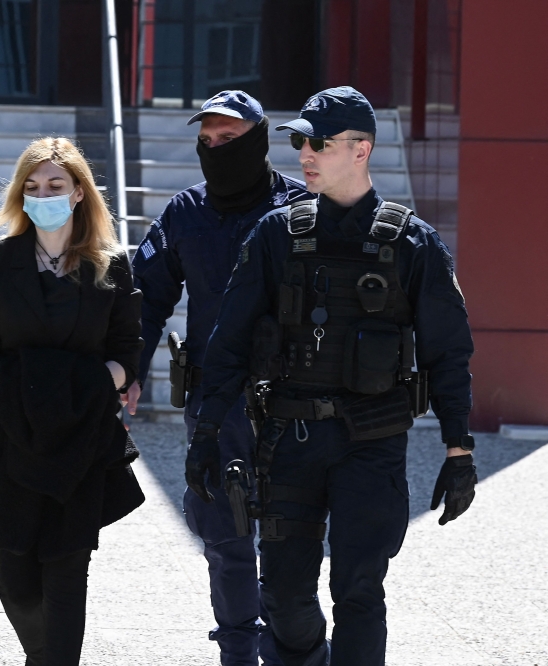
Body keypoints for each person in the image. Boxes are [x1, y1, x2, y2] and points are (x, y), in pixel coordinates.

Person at [187, 86, 477, 666]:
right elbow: (230, 340)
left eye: (318, 141)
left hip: (372, 443)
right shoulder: (275, 234)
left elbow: (448, 351)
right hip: (290, 439)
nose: (304, 153)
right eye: (299, 141)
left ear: (362, 148)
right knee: (286, 598)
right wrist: (207, 433)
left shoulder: (412, 242)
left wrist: (458, 448)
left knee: (359, 591)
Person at [126, 90, 309, 666]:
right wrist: (128, 370)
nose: (214, 148)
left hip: (293, 398)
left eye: (227, 139)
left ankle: (292, 648)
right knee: (225, 534)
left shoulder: (299, 209)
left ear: (258, 140)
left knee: (292, 537)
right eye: (206, 140)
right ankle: (237, 652)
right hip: (214, 401)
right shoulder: (186, 212)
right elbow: (144, 299)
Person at [0, 137, 145, 665]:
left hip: (82, 443)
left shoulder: (111, 265)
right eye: (32, 186)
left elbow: (126, 352)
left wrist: (92, 382)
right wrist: (52, 382)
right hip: (11, 439)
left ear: (78, 193)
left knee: (67, 574)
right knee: (16, 584)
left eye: (55, 185)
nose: (42, 193)